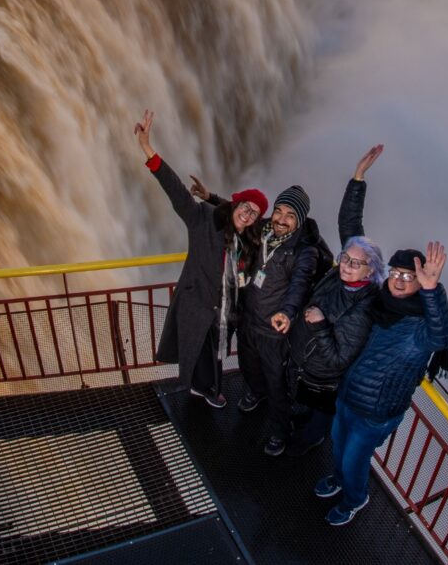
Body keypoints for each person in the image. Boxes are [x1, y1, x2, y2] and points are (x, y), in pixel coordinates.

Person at [190, 173, 332, 456]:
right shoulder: (264, 229)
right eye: (278, 211)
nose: (281, 219)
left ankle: (280, 431)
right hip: (247, 319)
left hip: (274, 331)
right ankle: (256, 392)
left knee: (277, 384)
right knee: (249, 367)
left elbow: (298, 287)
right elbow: (240, 216)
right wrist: (210, 198)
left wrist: (288, 314)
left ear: (300, 220)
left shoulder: (303, 253)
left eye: (290, 215)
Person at [315, 242, 448, 526]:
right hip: (348, 397)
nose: (399, 281)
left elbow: (444, 336)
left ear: (421, 281)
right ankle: (339, 480)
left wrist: (432, 289)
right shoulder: (381, 305)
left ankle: (355, 499)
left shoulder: (421, 327)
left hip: (376, 412)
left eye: (409, 277)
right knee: (339, 445)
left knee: (355, 459)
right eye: (395, 273)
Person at [134, 109, 266, 408]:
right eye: (245, 207)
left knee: (217, 351)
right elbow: (177, 192)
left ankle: (203, 386)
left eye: (254, 213)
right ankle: (205, 389)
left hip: (228, 307)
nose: (247, 214)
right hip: (200, 301)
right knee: (203, 350)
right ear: (236, 204)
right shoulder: (203, 219)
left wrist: (212, 196)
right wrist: (147, 150)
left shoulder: (250, 238)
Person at [285, 145, 386, 456]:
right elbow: (350, 226)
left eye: (356, 263)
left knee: (313, 424)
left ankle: (309, 444)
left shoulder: (366, 304)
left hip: (324, 381)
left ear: (372, 270)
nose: (346, 264)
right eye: (345, 258)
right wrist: (357, 179)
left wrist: (317, 327)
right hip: (304, 364)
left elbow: (340, 358)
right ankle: (301, 427)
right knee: (299, 407)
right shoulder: (343, 274)